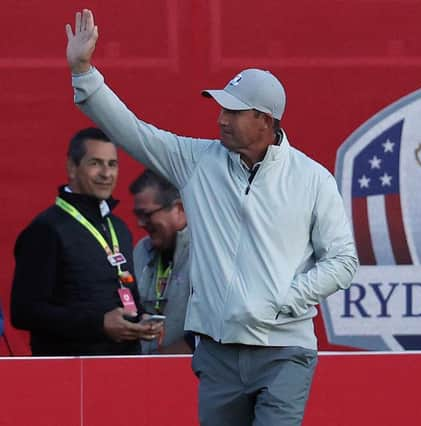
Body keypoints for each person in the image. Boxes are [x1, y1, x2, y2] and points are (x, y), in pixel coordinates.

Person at [66, 10, 358, 425]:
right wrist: (84, 72)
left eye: (234, 112)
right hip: (218, 355)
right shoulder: (198, 161)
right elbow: (133, 131)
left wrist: (282, 302)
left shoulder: (313, 179)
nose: (221, 118)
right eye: (221, 109)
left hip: (285, 353)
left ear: (265, 119)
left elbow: (343, 262)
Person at [11, 127, 161, 356]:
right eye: (95, 163)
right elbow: (24, 312)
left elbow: (125, 294)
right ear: (72, 167)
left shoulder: (118, 228)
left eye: (112, 164)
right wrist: (98, 324)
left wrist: (141, 319)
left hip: (126, 368)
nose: (106, 173)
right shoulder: (46, 229)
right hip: (70, 374)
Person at [130, 169, 193, 354]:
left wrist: (163, 362)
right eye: (137, 214)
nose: (140, 223)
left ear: (179, 209)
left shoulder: (207, 253)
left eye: (147, 214)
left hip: (193, 376)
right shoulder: (141, 250)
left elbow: (216, 328)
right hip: (142, 372)